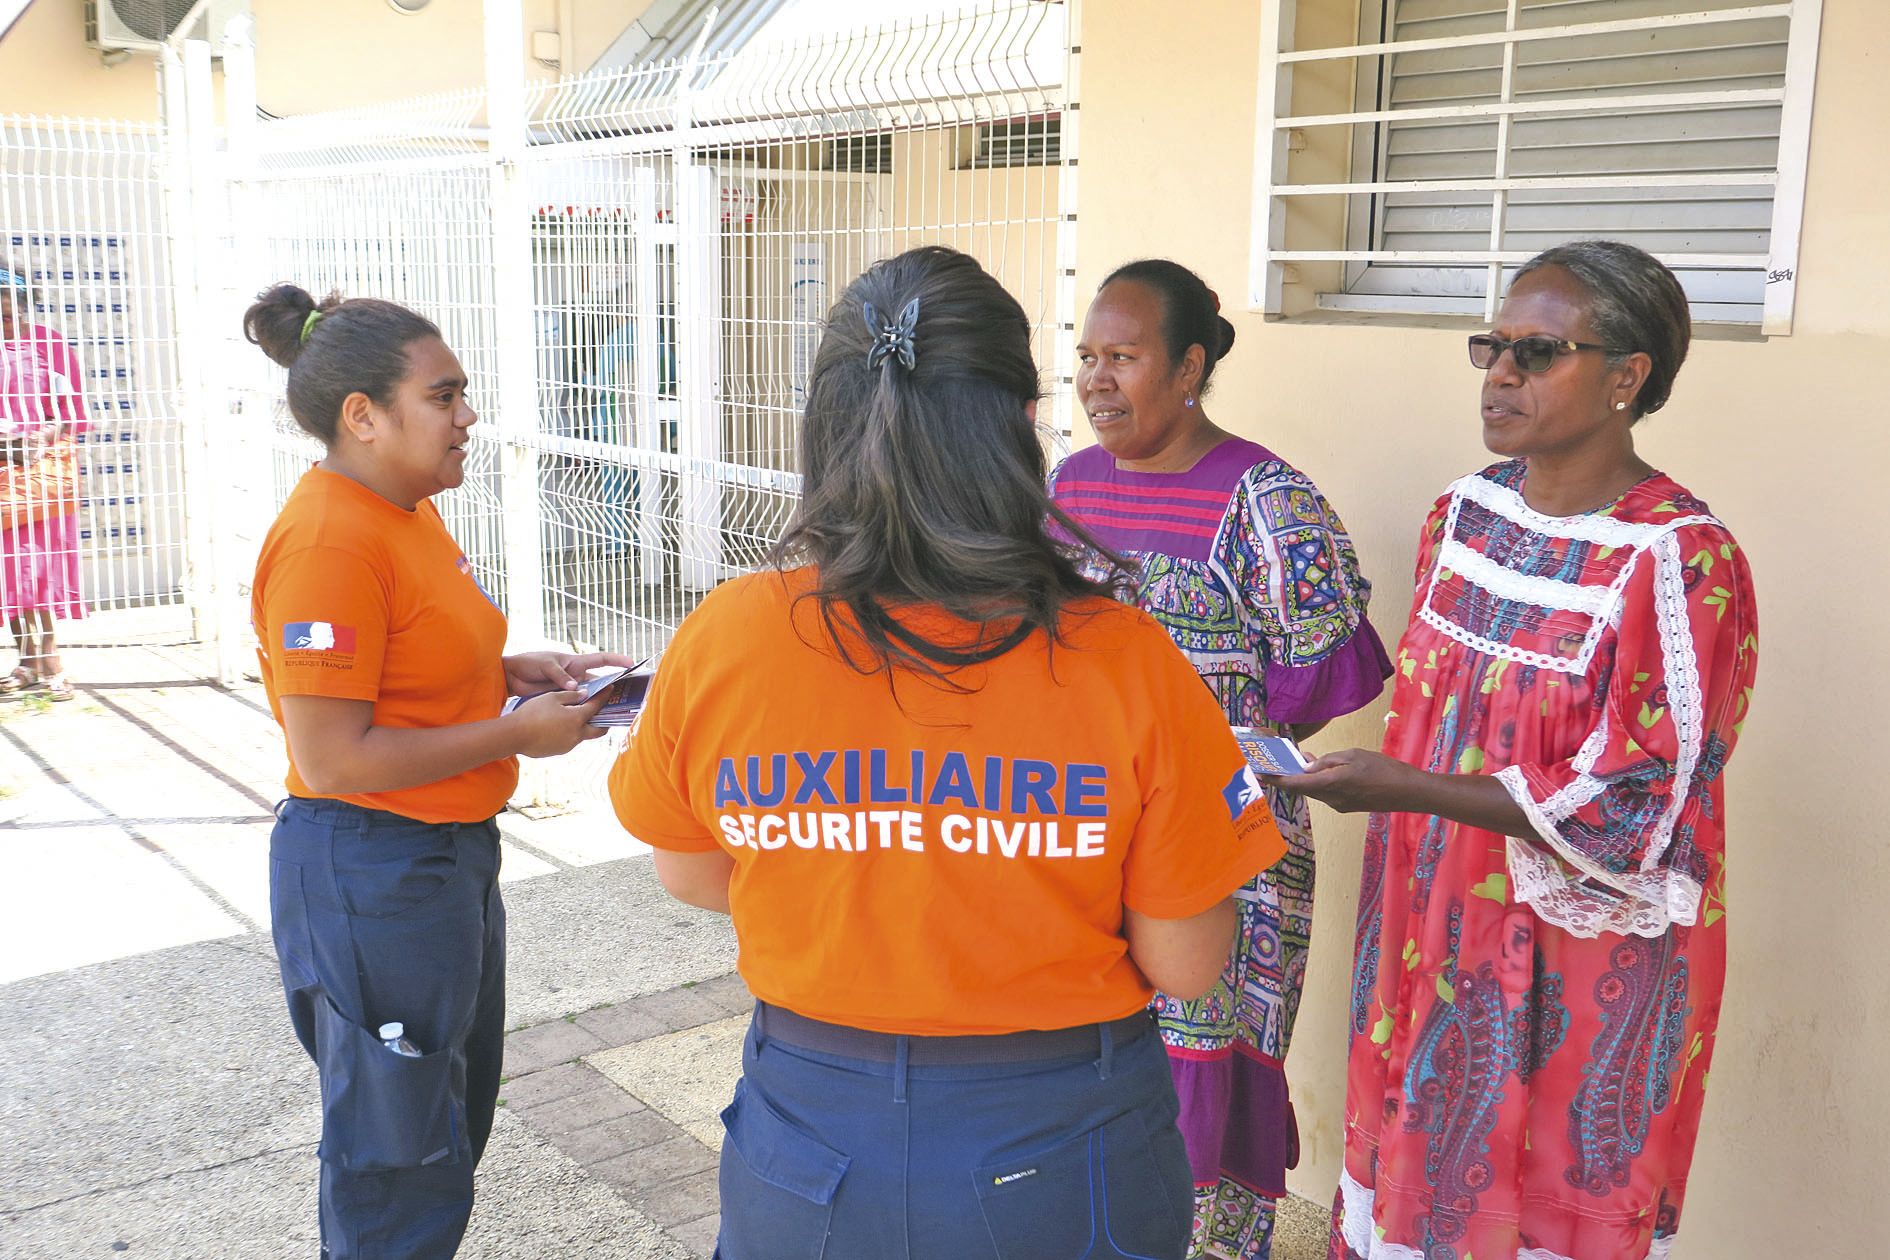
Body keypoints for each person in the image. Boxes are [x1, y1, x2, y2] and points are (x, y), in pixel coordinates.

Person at [607, 245, 1287, 1260]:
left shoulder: (729, 636)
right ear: (1019, 427)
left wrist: (865, 863)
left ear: (827, 427)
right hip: (1063, 1147)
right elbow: (1186, 964)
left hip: (809, 1143)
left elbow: (695, 871)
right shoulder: (1126, 658)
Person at [1273, 242, 1758, 1260]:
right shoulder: (1463, 515)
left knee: (1528, 1202)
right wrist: (1404, 793)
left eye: (1538, 352)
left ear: (1628, 377)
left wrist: (1407, 786)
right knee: (1410, 1171)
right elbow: (1438, 713)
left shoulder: (1678, 557)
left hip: (1579, 953)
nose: (1500, 373)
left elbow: (1642, 805)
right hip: (1422, 912)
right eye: (1492, 346)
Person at [243, 284, 634, 1259]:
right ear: (363, 417)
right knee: (397, 1157)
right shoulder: (331, 542)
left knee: (444, 1121)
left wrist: (504, 676)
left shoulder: (401, 510)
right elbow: (331, 757)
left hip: (440, 862)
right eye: (445, 396)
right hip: (375, 867)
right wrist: (516, 736)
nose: (468, 418)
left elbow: (398, 667)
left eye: (463, 395)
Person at [1050, 258, 1391, 1260]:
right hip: (1081, 838)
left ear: (1191, 364)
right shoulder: (1066, 484)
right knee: (1093, 1060)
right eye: (1087, 357)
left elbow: (1317, 687)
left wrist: (1202, 763)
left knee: (1199, 1068)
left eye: (1125, 357)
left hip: (1224, 852)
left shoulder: (1267, 501)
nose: (1097, 379)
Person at [1, 260, 88, 701]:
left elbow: (73, 413)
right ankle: (26, 662)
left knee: (41, 571)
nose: (6, 320)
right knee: (10, 574)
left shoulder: (49, 346)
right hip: (1, 473)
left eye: (11, 309)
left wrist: (38, 437)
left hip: (40, 475)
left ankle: (50, 660)